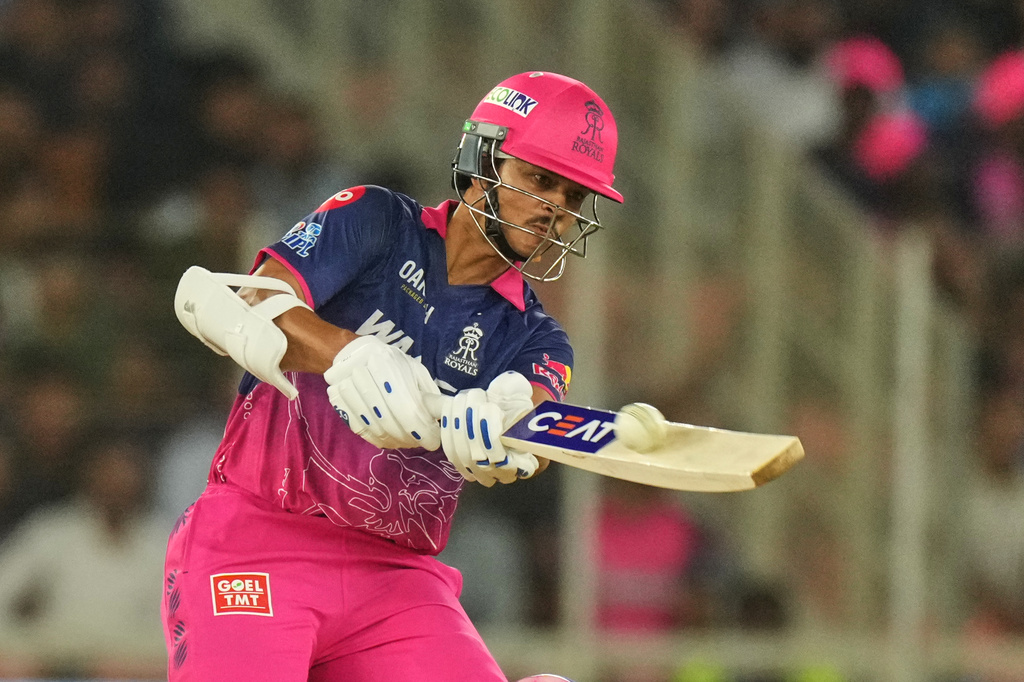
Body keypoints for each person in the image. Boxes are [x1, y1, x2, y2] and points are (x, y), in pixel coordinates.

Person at [164, 71, 623, 681]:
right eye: (541, 181)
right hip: (259, 539)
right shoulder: (376, 219)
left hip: (396, 579)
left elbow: (536, 432)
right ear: (482, 160)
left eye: (573, 198)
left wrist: (507, 433)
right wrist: (346, 354)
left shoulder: (538, 338)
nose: (556, 212)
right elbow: (254, 302)